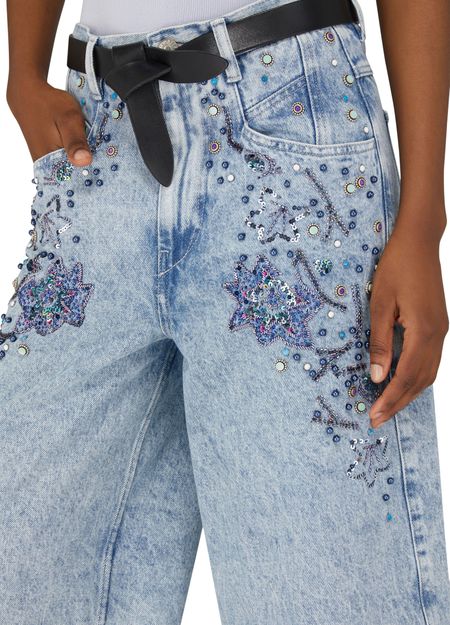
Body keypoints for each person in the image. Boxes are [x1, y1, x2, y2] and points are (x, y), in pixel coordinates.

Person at [1, 0, 450, 623]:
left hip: (288, 148)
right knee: (29, 569)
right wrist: (23, 70)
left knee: (319, 592)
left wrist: (423, 221)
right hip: (98, 134)